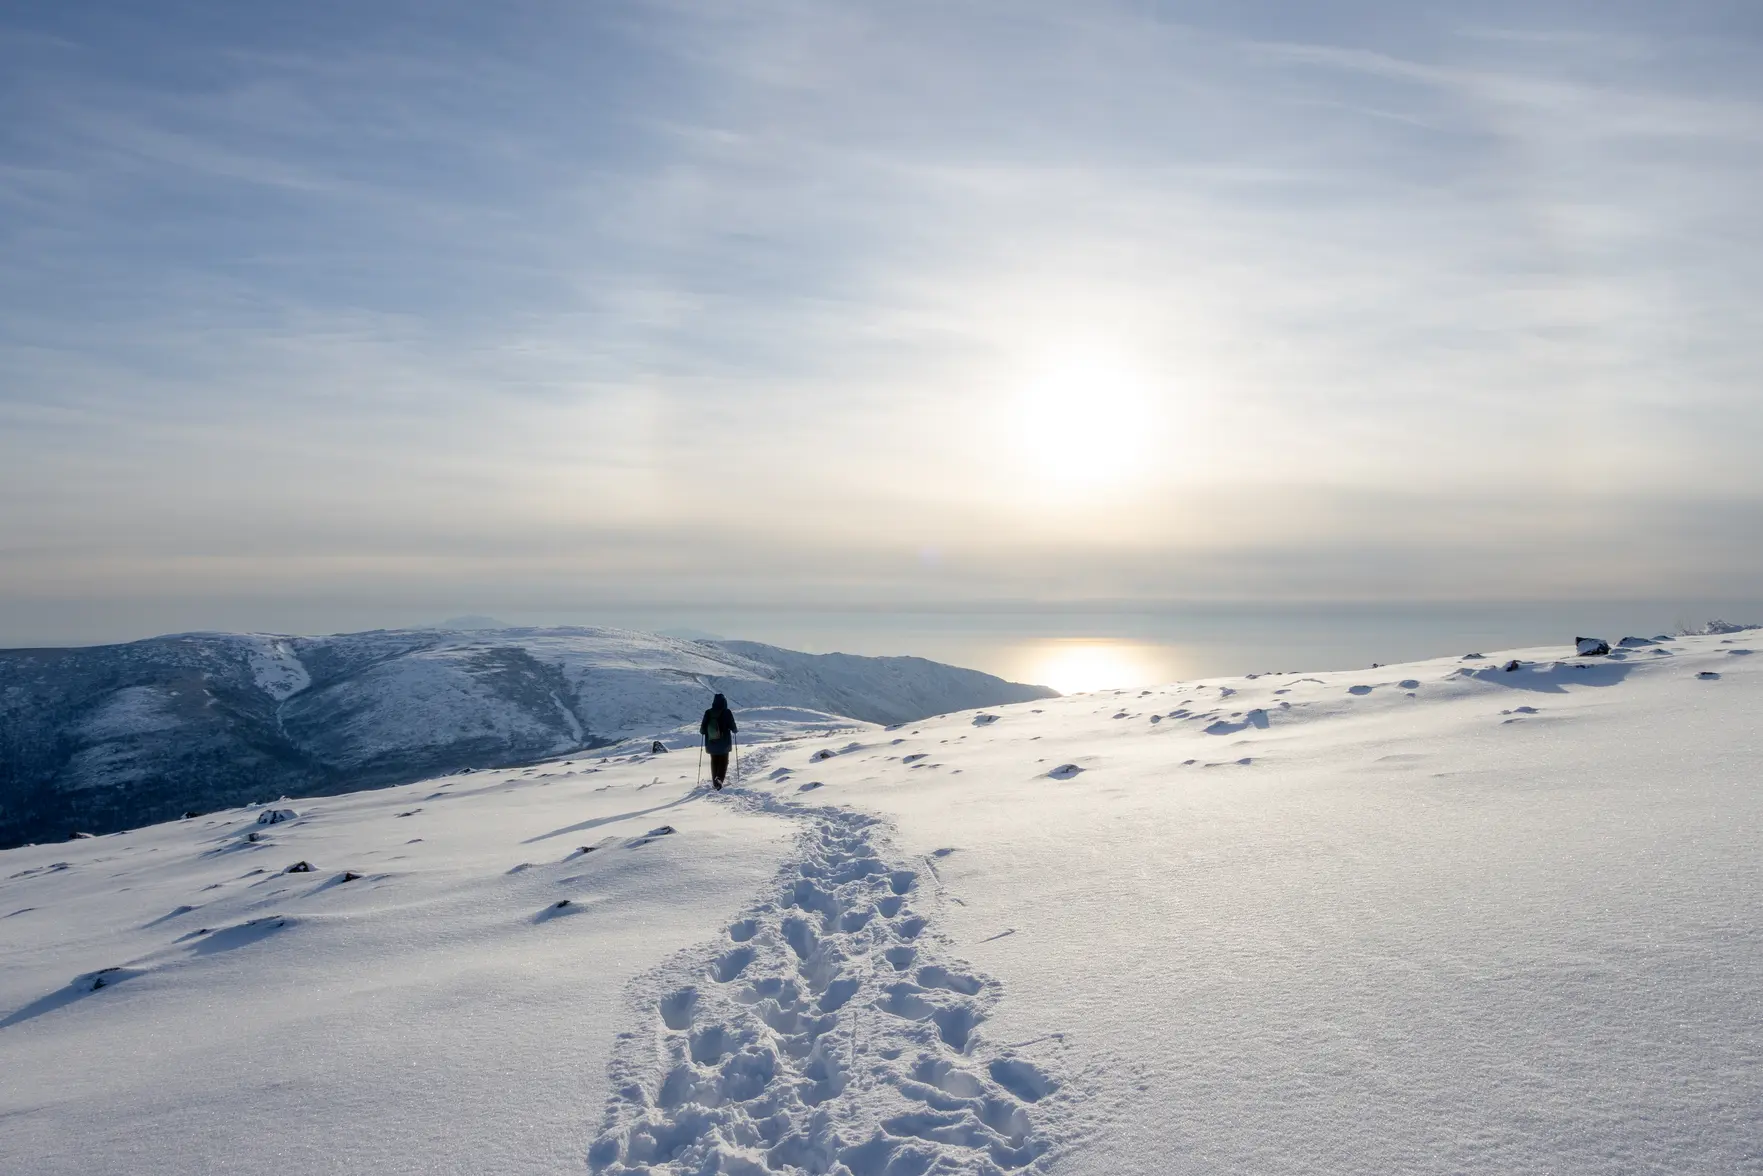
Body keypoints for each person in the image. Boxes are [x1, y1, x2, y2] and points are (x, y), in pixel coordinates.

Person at [699, 693, 737, 790]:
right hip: (724, 743)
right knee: (723, 761)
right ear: (724, 702)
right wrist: (734, 730)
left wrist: (706, 732)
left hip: (711, 742)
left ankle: (715, 782)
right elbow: (732, 725)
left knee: (714, 761)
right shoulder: (727, 712)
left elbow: (702, 729)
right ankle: (719, 779)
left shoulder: (708, 712)